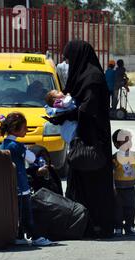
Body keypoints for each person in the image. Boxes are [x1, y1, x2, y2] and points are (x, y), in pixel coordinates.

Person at [46, 40, 115, 239]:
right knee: (80, 180)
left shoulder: (92, 78)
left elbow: (88, 109)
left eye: (69, 59)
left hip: (93, 141)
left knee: (92, 183)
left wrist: (66, 115)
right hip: (82, 139)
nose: (67, 63)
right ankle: (79, 223)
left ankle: (97, 225)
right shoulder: (82, 77)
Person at [0, 112, 53, 246]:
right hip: (21, 185)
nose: (26, 130)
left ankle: (19, 235)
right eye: (24, 127)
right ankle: (36, 237)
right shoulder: (16, 146)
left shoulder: (3, 144)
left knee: (17, 214)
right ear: (15, 129)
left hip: (10, 185)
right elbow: (32, 159)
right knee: (26, 214)